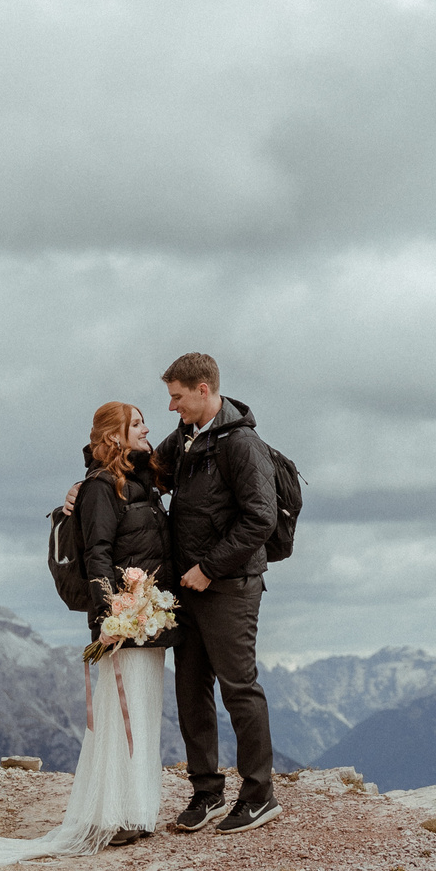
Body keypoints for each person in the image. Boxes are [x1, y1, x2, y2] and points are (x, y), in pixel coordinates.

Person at [0, 403, 168, 865]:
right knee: (118, 711)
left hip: (148, 616)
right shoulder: (101, 490)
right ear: (115, 436)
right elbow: (98, 557)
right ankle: (111, 814)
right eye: (138, 424)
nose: (148, 429)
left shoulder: (143, 483)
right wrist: (112, 615)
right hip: (124, 619)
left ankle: (136, 810)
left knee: (142, 710)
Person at [149, 352, 281, 835]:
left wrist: (209, 566)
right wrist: (85, 484)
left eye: (177, 396)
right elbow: (141, 466)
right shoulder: (185, 437)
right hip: (189, 586)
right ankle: (206, 792)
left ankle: (259, 795)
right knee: (191, 689)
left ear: (203, 390)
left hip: (230, 585)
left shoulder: (241, 443)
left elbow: (260, 519)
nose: (171, 406)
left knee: (239, 688)